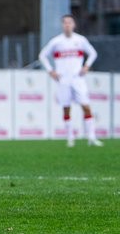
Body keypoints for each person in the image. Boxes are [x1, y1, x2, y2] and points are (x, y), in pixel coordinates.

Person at [39, 14, 102, 147]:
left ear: (74, 25)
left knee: (86, 106)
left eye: (70, 22)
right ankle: (70, 138)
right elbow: (42, 56)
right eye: (65, 23)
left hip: (78, 79)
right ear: (62, 25)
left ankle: (91, 137)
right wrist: (51, 70)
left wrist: (86, 66)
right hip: (63, 80)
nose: (67, 25)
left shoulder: (80, 40)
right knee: (66, 108)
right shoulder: (56, 42)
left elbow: (93, 53)